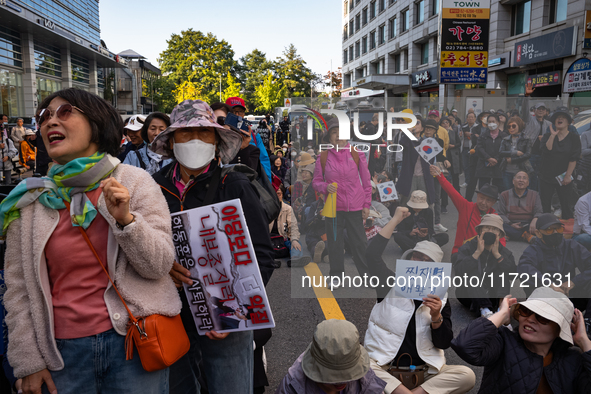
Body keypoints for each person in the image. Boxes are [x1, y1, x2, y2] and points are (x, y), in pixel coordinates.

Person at [1, 88, 178, 393]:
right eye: (44, 116)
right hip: (61, 356)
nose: (50, 122)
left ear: (97, 124)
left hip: (135, 346)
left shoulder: (134, 181)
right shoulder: (30, 198)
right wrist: (28, 361)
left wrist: (126, 220)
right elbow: (17, 289)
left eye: (64, 112)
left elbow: (159, 265)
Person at [151, 99, 275, 394]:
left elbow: (262, 255)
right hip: (171, 316)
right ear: (171, 142)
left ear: (216, 141)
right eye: (185, 133)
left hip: (226, 317)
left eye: (204, 133)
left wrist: (235, 309)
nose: (195, 140)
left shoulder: (234, 184)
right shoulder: (153, 187)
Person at [364, 238, 476, 394]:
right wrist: (396, 219)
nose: (421, 263)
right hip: (385, 368)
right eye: (417, 256)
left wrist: (436, 316)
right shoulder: (389, 282)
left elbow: (443, 343)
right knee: (361, 367)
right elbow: (371, 255)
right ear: (409, 259)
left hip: (423, 373)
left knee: (467, 375)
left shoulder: (441, 299)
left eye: (428, 260)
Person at [451, 289, 591, 393]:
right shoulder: (504, 342)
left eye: (543, 317)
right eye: (525, 310)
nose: (530, 319)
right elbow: (465, 345)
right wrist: (501, 314)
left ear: (559, 329)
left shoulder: (574, 360)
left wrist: (585, 343)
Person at [312, 117, 372, 277]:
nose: (338, 136)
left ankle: (367, 275)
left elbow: (367, 182)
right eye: (334, 133)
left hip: (355, 206)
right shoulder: (323, 157)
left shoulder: (357, 154)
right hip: (333, 207)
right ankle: (336, 276)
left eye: (341, 132)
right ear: (329, 137)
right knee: (335, 244)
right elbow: (316, 182)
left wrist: (367, 205)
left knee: (360, 243)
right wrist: (325, 187)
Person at [276, 319, 387, 394]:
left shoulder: (365, 378)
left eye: (348, 374)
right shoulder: (293, 385)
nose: (341, 382)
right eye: (334, 377)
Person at [519, 213, 591, 322]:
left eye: (558, 229)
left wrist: (574, 282)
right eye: (549, 230)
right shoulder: (532, 250)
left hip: (569, 294)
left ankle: (587, 322)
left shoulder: (571, 246)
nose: (555, 232)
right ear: (538, 233)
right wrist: (549, 285)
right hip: (544, 299)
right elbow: (524, 269)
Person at [429, 165, 504, 258]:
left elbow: (501, 243)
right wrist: (439, 175)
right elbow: (451, 191)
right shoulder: (466, 207)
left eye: (488, 200)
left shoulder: (495, 218)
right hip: (460, 252)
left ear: (493, 202)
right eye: (481, 198)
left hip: (483, 255)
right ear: (477, 196)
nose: (483, 202)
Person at [454, 214, 516, 318]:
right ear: (480, 230)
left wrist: (498, 256)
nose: (490, 231)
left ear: (500, 234)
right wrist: (477, 253)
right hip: (468, 294)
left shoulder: (504, 252)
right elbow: (459, 271)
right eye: (487, 227)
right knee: (471, 272)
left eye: (495, 229)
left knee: (501, 272)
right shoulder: (468, 247)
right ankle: (485, 310)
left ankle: (502, 309)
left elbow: (513, 275)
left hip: (493, 296)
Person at [539, 109, 581, 219]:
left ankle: (568, 231)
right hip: (546, 176)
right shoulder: (547, 136)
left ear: (569, 122)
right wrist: (553, 135)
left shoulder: (574, 137)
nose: (560, 119)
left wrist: (568, 175)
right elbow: (547, 150)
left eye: (563, 117)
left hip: (564, 176)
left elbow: (574, 158)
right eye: (557, 117)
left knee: (566, 205)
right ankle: (546, 228)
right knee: (546, 205)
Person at [225, 97, 272, 182]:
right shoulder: (220, 134)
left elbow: (264, 161)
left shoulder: (254, 135)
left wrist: (268, 185)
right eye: (234, 111)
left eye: (240, 111)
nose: (237, 114)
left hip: (249, 184)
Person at [396, 117, 436, 208]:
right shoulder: (408, 140)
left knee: (425, 204)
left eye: (417, 123)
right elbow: (402, 143)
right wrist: (409, 132)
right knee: (407, 204)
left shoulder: (426, 143)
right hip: (410, 177)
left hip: (424, 177)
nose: (414, 125)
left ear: (422, 129)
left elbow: (431, 160)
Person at [522, 84, 553, 191]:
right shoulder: (529, 120)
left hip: (542, 154)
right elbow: (525, 110)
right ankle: (529, 197)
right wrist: (526, 96)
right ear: (534, 111)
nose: (540, 110)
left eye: (542, 109)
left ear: (545, 112)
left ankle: (537, 198)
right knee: (529, 176)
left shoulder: (549, 124)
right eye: (538, 109)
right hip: (530, 154)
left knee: (540, 177)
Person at [271, 185, 311, 267]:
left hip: (283, 240)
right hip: (269, 241)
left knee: (296, 243)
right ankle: (269, 262)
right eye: (274, 193)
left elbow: (293, 226)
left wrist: (294, 240)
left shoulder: (287, 208)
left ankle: (295, 259)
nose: (277, 196)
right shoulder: (264, 208)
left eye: (279, 193)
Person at [497, 171, 542, 242]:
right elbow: (500, 213)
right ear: (513, 181)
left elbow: (539, 211)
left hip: (528, 224)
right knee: (495, 222)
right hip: (509, 223)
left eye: (524, 178)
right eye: (518, 178)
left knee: (543, 222)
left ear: (528, 183)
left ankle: (509, 234)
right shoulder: (504, 194)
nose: (521, 180)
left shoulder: (535, 194)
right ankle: (525, 235)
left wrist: (535, 219)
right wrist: (511, 224)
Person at [423, 119, 450, 233]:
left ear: (435, 130)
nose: (428, 130)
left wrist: (445, 160)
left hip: (435, 171)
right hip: (423, 172)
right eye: (426, 128)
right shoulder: (420, 140)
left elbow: (439, 155)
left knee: (437, 197)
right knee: (424, 197)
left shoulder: (438, 141)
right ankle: (424, 223)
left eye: (431, 128)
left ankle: (437, 223)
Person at [474, 113, 507, 192]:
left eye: (493, 121)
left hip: (498, 167)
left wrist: (496, 159)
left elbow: (505, 150)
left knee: (500, 190)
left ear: (498, 123)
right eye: (489, 121)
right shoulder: (483, 135)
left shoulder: (504, 136)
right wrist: (488, 158)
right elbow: (479, 148)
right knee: (484, 190)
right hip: (484, 167)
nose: (491, 123)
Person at [498, 116, 532, 191]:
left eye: (513, 126)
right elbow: (500, 153)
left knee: (522, 193)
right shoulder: (505, 139)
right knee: (508, 193)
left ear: (519, 126)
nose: (511, 128)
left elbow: (528, 154)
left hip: (521, 170)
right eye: (509, 126)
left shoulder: (526, 139)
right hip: (507, 170)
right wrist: (515, 152)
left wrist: (512, 160)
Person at [460, 112, 478, 188]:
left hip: (474, 149)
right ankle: (467, 181)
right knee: (466, 166)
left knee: (474, 167)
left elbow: (479, 137)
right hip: (464, 149)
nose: (470, 118)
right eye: (469, 117)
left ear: (475, 118)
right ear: (466, 119)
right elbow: (459, 136)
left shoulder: (478, 127)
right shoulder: (463, 127)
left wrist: (471, 135)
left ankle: (474, 183)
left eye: (472, 117)